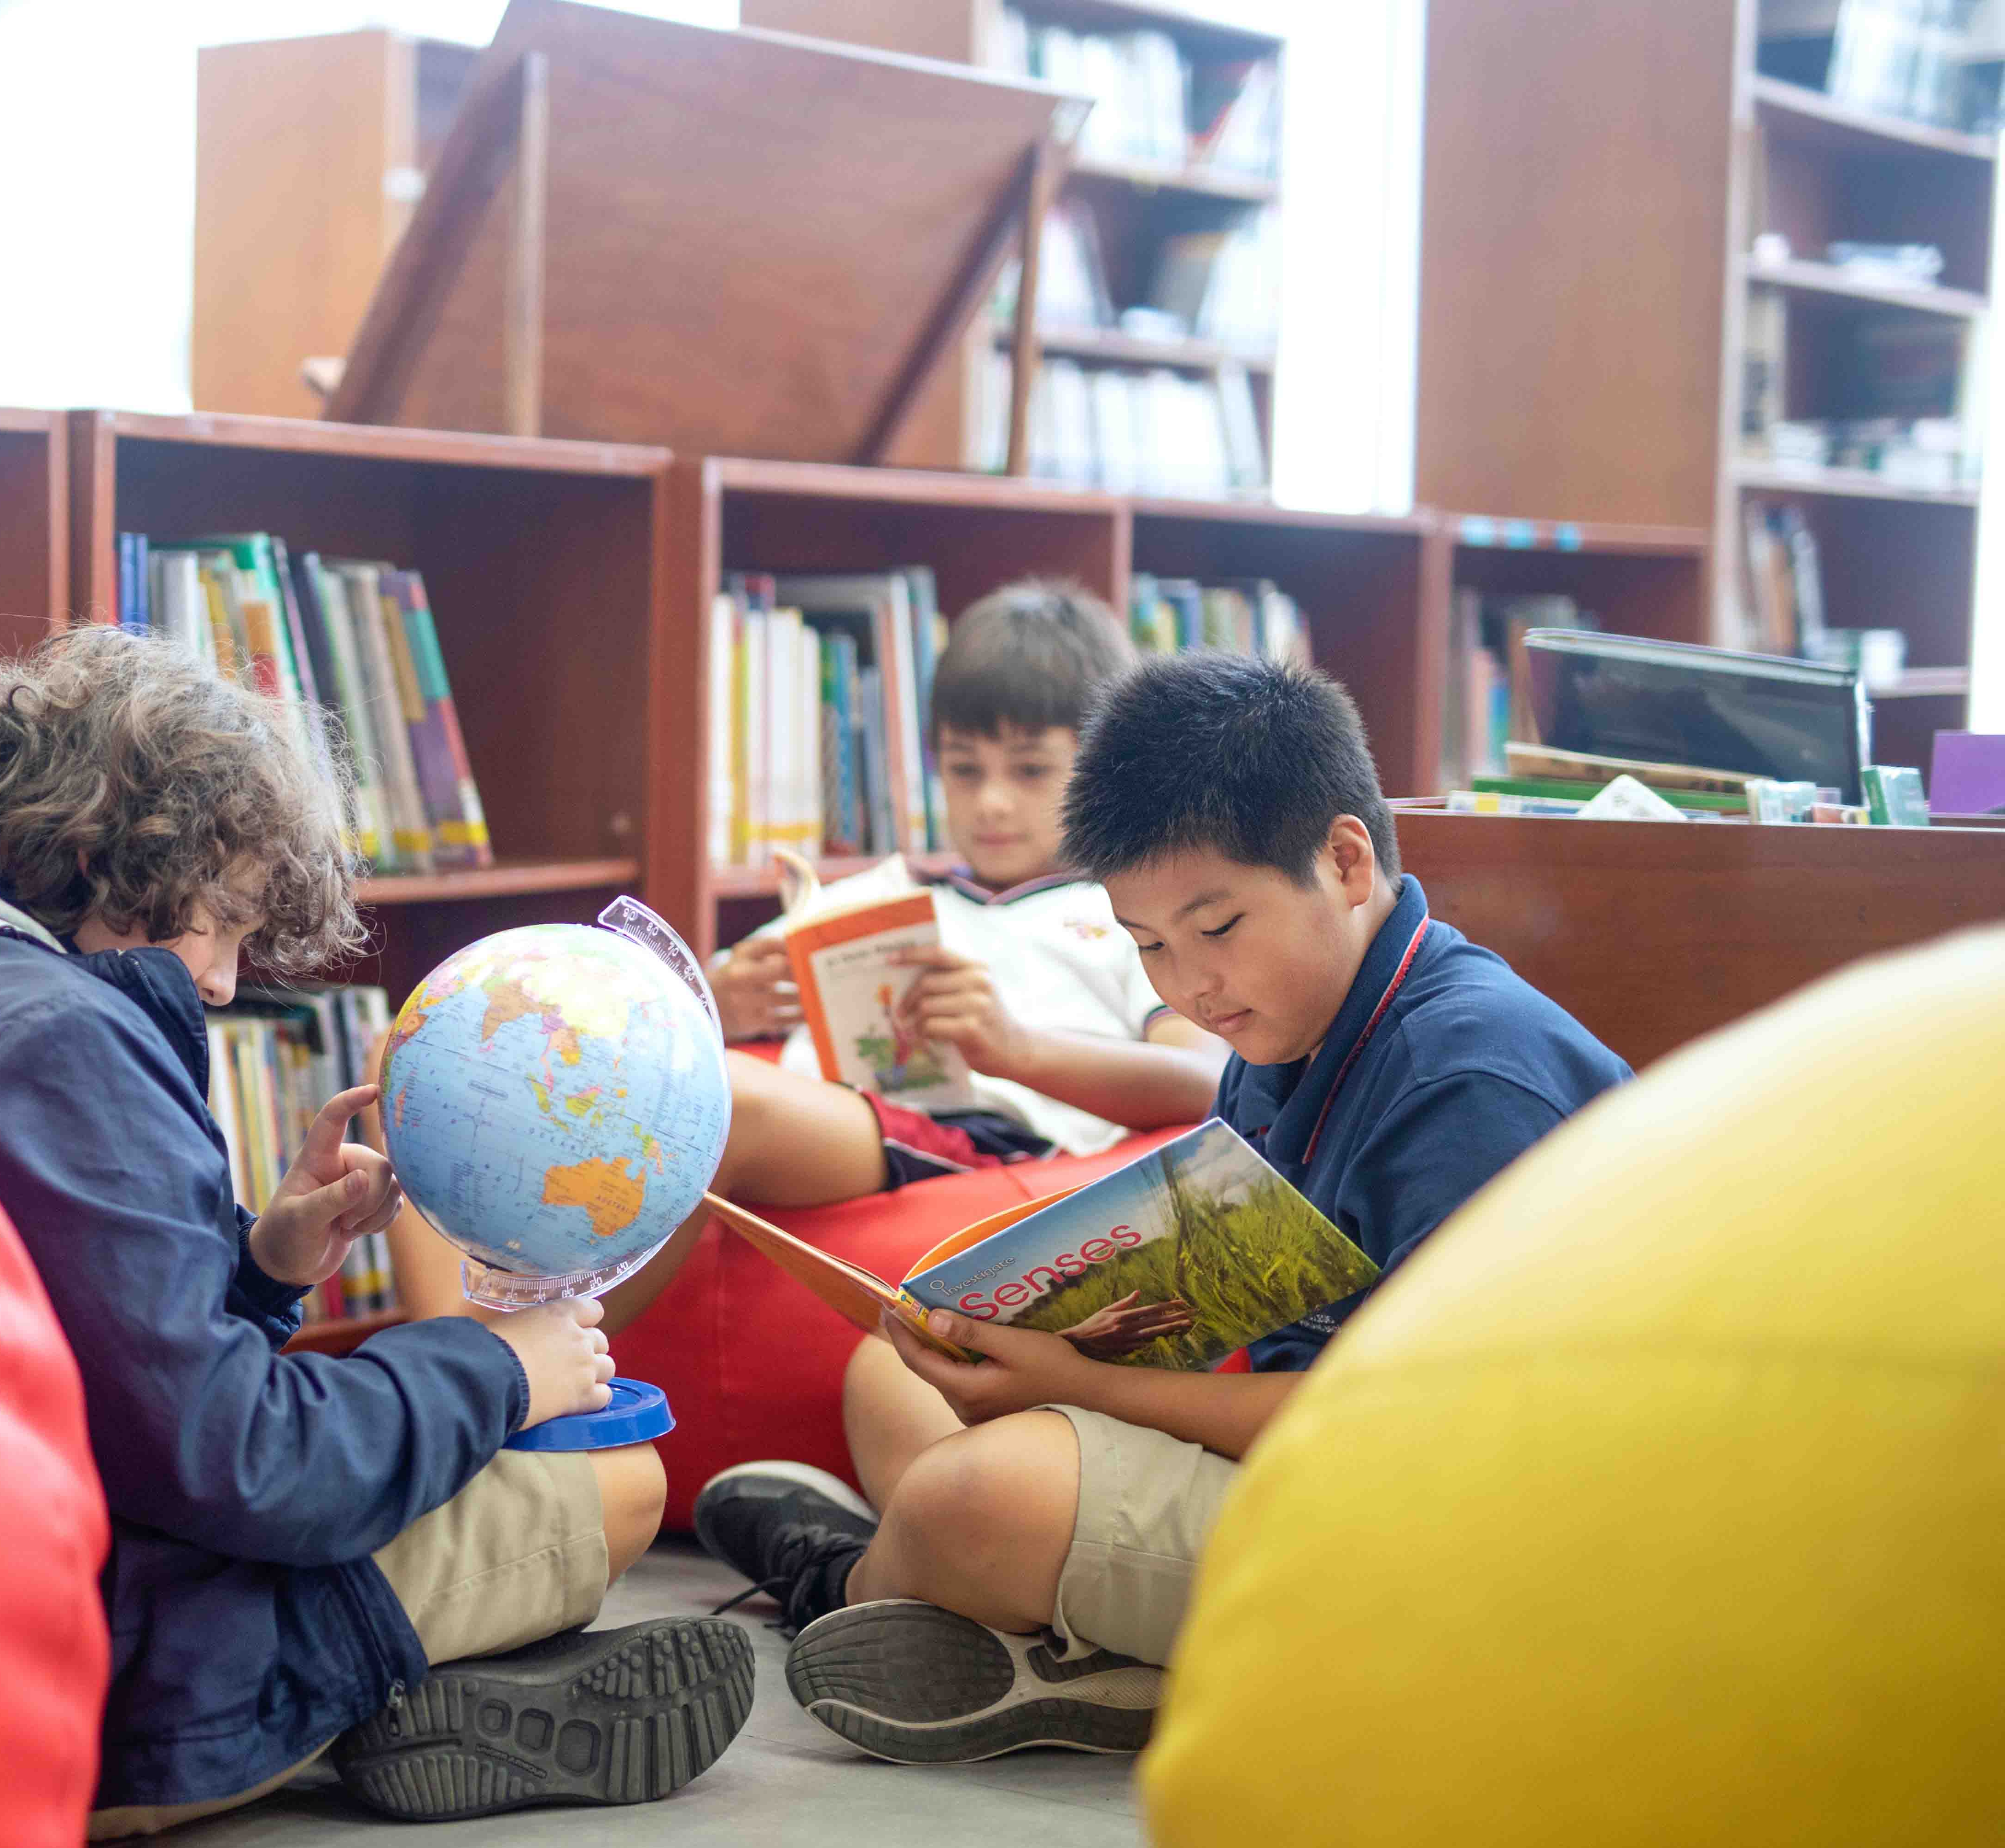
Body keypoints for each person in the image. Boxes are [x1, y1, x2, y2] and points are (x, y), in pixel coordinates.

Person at [0, 627, 752, 1835]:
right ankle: (354, 1714)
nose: (219, 981)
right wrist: (499, 1368)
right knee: (613, 1483)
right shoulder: (56, 1035)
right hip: (50, 1688)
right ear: (101, 856)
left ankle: (397, 1698)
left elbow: (63, 1358)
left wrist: (259, 1266)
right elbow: (250, 1469)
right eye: (219, 919)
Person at [694, 650, 1631, 1764]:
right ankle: (1082, 1653)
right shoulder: (1295, 1022)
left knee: (971, 1499)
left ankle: (845, 1581)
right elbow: (1249, 1319)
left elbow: (1409, 1428)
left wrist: (1084, 1388)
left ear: (1343, 860)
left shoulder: (1469, 1075)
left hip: (1459, 1552)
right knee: (896, 1372)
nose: (1187, 984)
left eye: (1217, 927)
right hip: (1328, 1462)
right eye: (1147, 946)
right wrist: (1049, 1338)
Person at [392, 581, 1228, 1331]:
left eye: (1033, 770)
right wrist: (722, 995)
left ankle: (508, 1366)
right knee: (439, 1033)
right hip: (838, 1110)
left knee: (716, 1107)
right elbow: (678, 1010)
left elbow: (1206, 1084)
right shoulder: (889, 895)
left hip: (979, 1135)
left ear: (1105, 774)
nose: (993, 802)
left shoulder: (1124, 914)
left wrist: (1019, 1050)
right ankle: (450, 1355)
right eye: (965, 771)